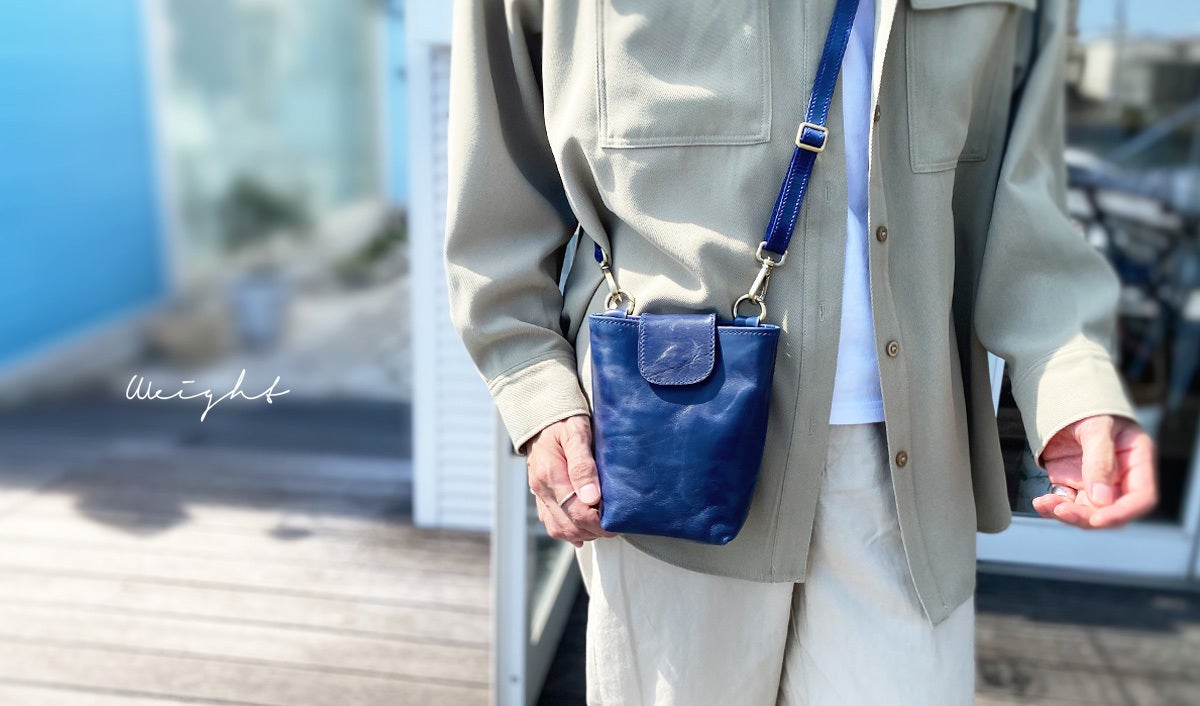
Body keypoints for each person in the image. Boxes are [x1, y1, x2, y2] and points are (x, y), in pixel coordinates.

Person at [443, 0, 1160, 703]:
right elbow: (498, 186)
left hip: (907, 465)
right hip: (671, 449)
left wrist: (1073, 382)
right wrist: (534, 386)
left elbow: (1025, 195)